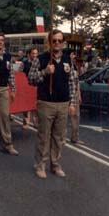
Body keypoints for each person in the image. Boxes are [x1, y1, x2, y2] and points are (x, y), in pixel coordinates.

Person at [28, 29, 76, 179]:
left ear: (63, 43)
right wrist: (45, 72)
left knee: (59, 137)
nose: (56, 43)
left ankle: (55, 164)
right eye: (53, 40)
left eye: (59, 41)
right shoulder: (41, 59)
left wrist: (72, 102)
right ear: (49, 42)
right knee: (44, 136)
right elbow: (31, 78)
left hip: (63, 103)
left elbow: (72, 81)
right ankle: (40, 165)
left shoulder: (68, 59)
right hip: (46, 103)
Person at [22, 47, 39, 129]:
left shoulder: (39, 63)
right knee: (26, 106)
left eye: (36, 53)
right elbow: (20, 74)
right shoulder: (24, 63)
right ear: (29, 54)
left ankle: (36, 123)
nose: (35, 55)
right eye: (33, 53)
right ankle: (26, 122)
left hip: (36, 86)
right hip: (27, 87)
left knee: (35, 106)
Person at [68, 51, 82, 144]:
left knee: (76, 116)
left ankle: (75, 138)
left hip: (75, 93)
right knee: (63, 117)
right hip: (66, 94)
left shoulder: (75, 66)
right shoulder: (65, 66)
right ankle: (60, 138)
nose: (74, 56)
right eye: (72, 54)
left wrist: (79, 94)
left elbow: (77, 82)